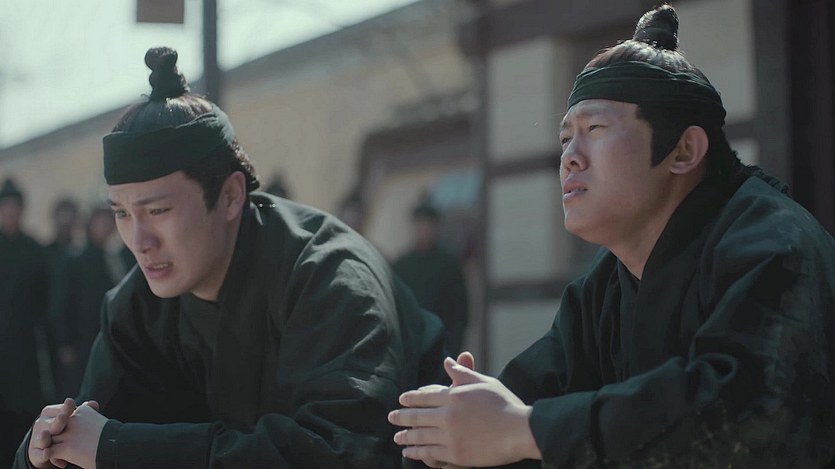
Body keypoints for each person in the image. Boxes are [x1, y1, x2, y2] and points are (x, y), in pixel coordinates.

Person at [389, 5, 835, 468]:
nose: (570, 158)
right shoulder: (604, 287)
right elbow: (531, 399)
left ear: (684, 150)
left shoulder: (776, 245)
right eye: (566, 139)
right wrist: (457, 430)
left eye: (595, 129)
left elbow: (748, 410)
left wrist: (524, 429)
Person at [14, 46, 444, 469]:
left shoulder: (331, 277)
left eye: (158, 210)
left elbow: (341, 450)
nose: (139, 240)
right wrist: (47, 451)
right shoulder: (136, 306)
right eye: (122, 214)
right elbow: (92, 431)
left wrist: (119, 448)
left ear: (231, 196)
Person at [0, 178, 50, 467]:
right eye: (5, 207)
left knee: (25, 408)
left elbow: (45, 299)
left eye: (15, 207)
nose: (11, 212)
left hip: (26, 343)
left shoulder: (33, 248)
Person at [52, 206, 126, 398]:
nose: (105, 226)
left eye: (109, 221)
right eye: (100, 222)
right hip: (82, 338)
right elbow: (63, 303)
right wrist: (65, 343)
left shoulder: (119, 257)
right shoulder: (76, 259)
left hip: (113, 335)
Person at [392, 198, 469, 356]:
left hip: (442, 342)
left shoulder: (449, 265)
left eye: (428, 224)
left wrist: (454, 348)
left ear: (436, 227)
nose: (424, 230)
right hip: (410, 344)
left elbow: (459, 312)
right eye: (420, 224)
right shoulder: (401, 265)